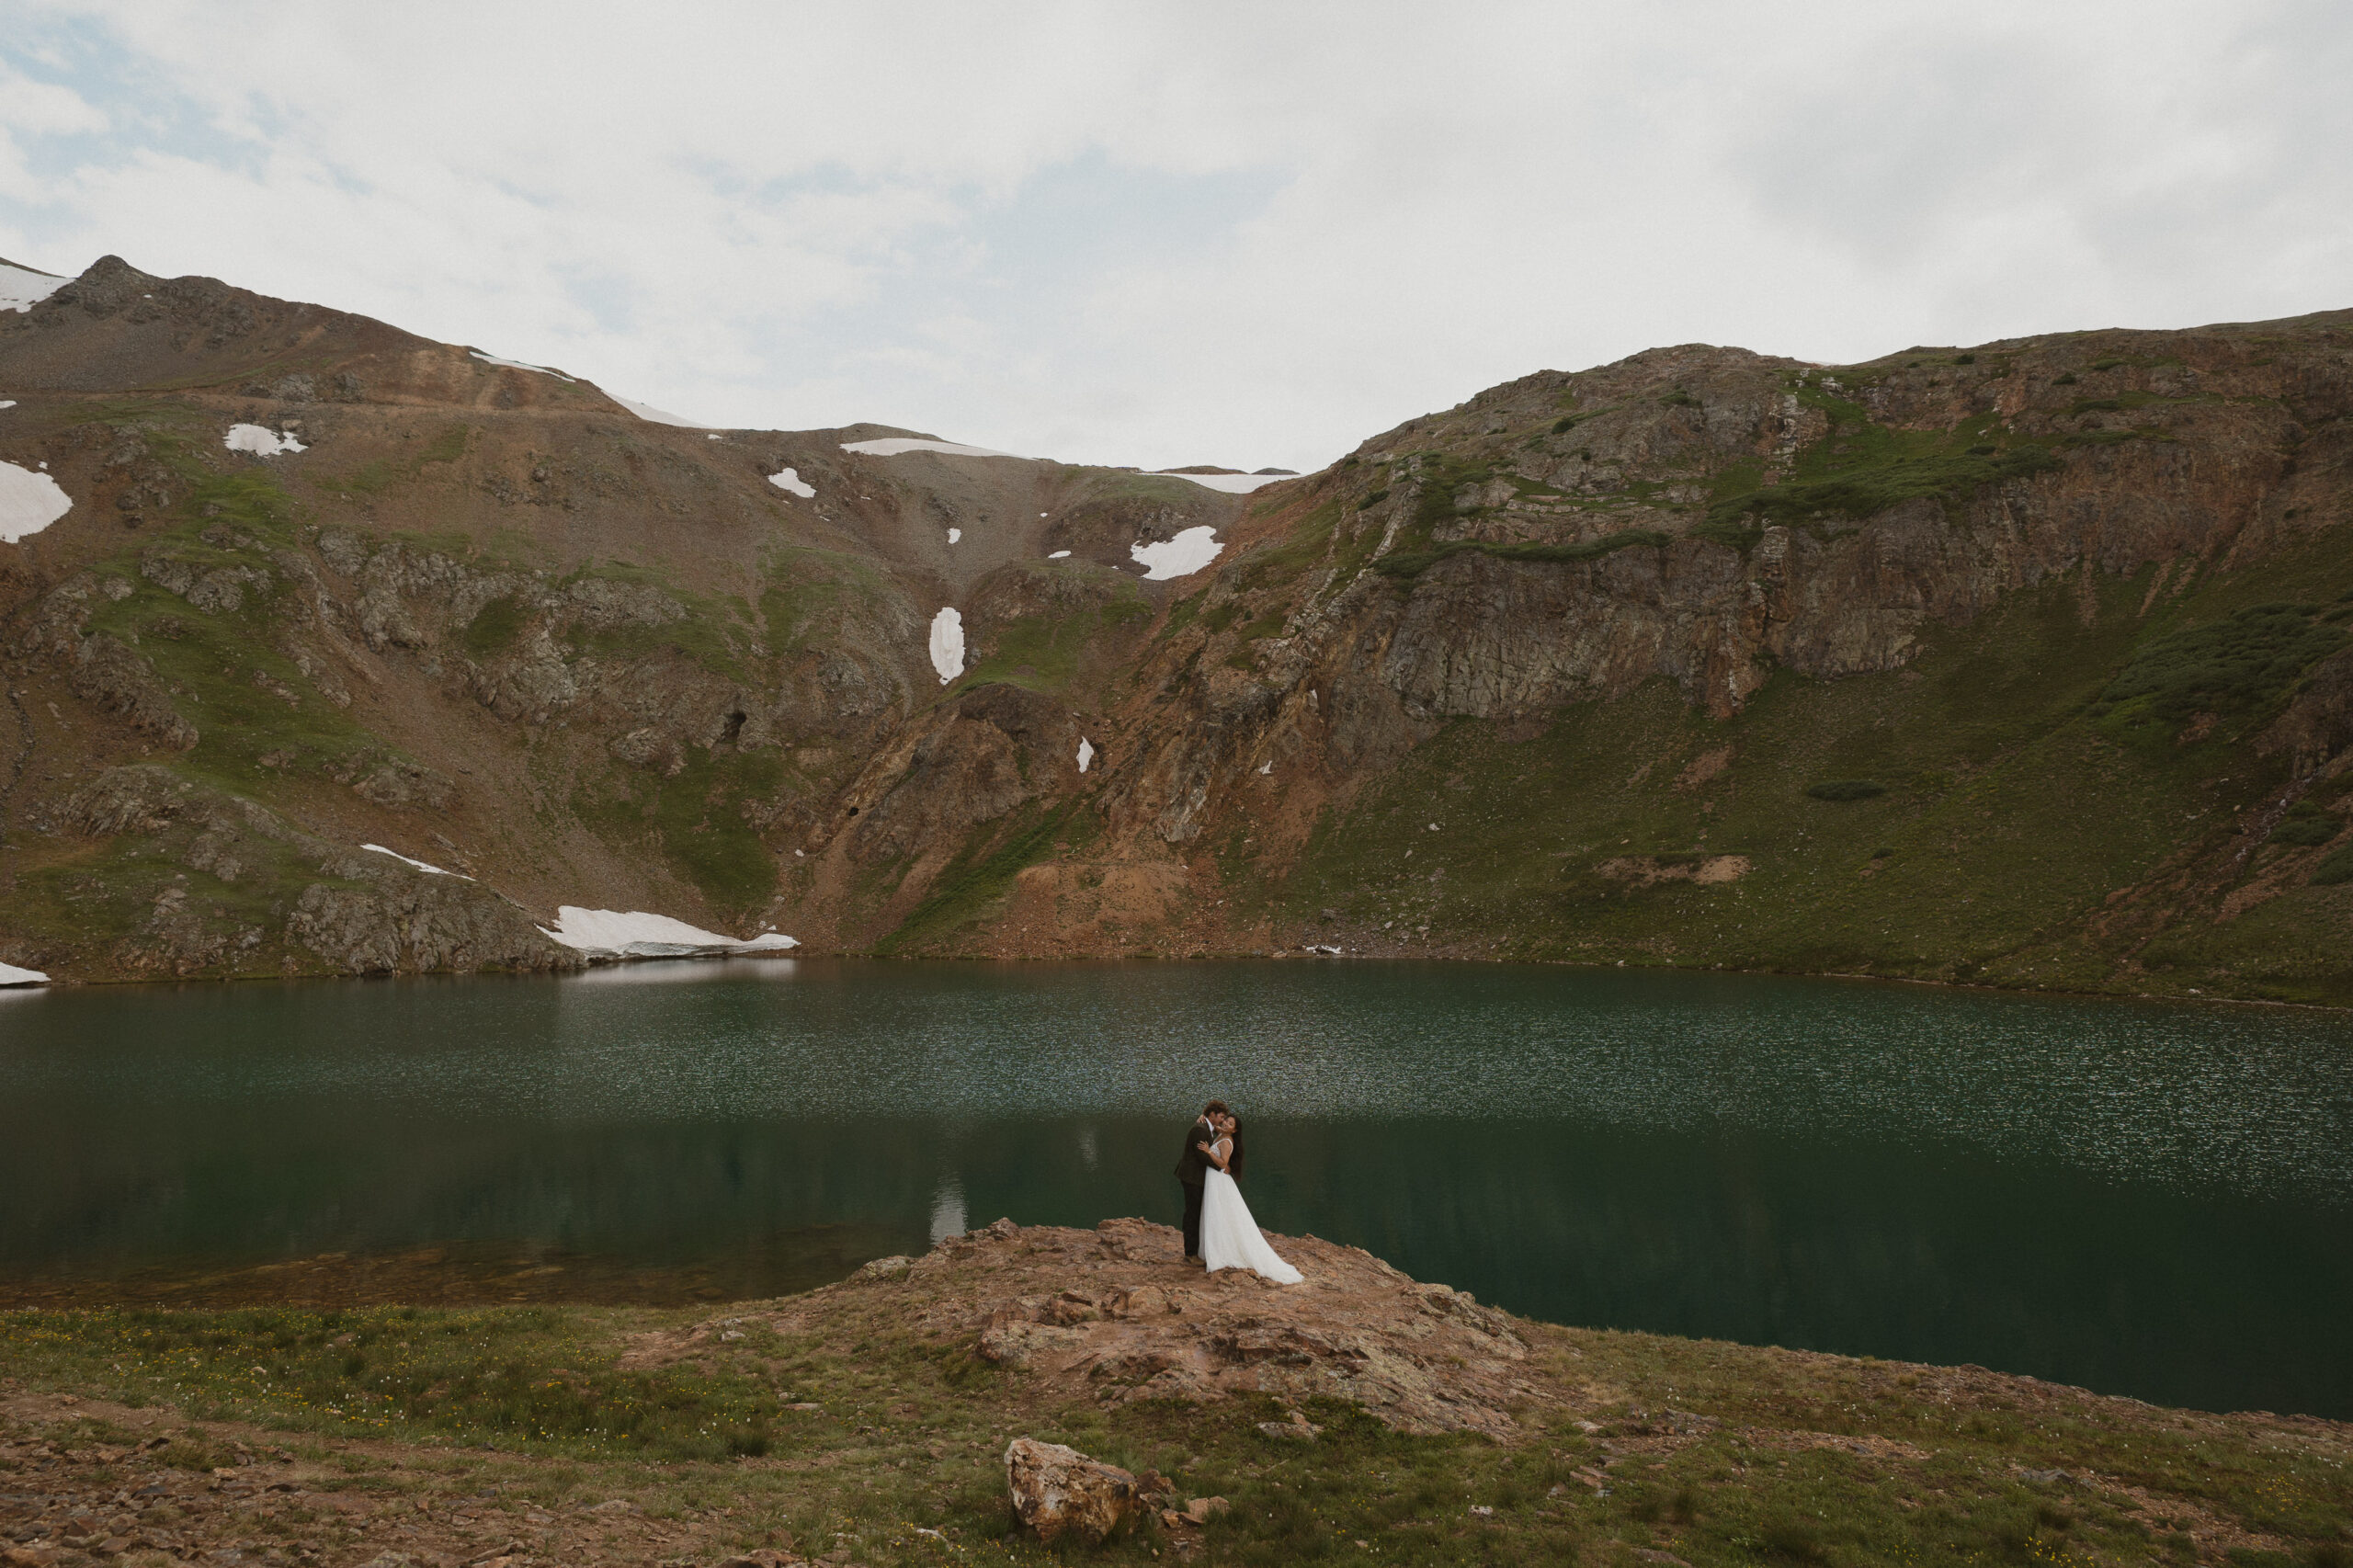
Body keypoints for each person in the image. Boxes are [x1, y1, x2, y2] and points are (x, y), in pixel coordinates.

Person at [1198, 1109, 1303, 1284]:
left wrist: (1209, 1152)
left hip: (1218, 1180)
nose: (1225, 1124)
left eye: (1230, 1124)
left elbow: (1223, 1163)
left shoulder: (1226, 1141)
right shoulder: (1223, 1134)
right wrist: (1204, 1118)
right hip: (1216, 1179)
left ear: (1235, 1131)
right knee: (1218, 1213)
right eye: (1226, 1121)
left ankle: (1220, 1252)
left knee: (1218, 1213)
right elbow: (1215, 1127)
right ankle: (1216, 1248)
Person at [1174, 1099, 1227, 1261]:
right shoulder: (1200, 1130)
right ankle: (1190, 1253)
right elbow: (1202, 1156)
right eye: (1221, 1117)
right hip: (1192, 1178)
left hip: (1198, 1178)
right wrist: (1222, 1167)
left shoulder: (1208, 1128)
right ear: (1212, 1115)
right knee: (1193, 1215)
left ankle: (1195, 1250)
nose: (1222, 1121)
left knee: (1197, 1213)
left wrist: (1218, 1129)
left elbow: (1221, 1137)